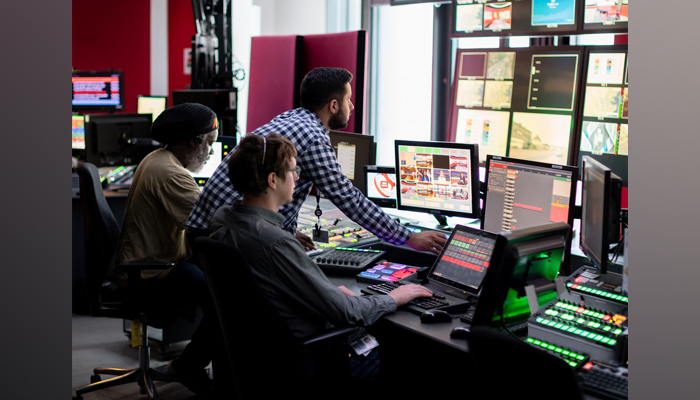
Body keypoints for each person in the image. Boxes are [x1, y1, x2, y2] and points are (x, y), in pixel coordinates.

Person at [208, 133, 434, 387]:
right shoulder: (275, 242)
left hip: (262, 357)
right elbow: (347, 312)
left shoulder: (223, 219)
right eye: (293, 171)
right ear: (272, 180)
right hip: (312, 357)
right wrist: (394, 297)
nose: (297, 177)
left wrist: (327, 295)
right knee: (415, 358)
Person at [187, 67, 446, 254]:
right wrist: (409, 237)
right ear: (333, 105)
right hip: (229, 239)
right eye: (348, 100)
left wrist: (286, 234)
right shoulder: (313, 137)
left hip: (208, 232)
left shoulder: (290, 118)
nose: (352, 106)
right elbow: (349, 199)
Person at [114, 102, 223, 395]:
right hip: (151, 273)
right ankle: (188, 366)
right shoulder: (171, 174)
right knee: (226, 299)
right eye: (209, 142)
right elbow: (214, 218)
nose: (211, 151)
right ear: (193, 141)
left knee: (216, 286)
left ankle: (189, 363)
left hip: (148, 264)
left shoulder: (157, 159)